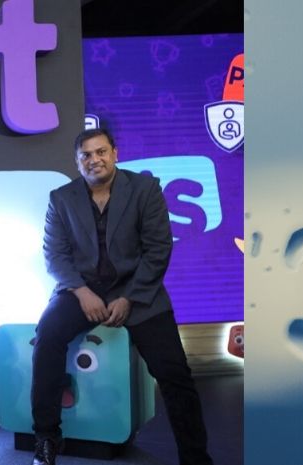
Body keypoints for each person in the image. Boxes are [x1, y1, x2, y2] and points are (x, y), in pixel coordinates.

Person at [31, 128, 212, 465]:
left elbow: (158, 250)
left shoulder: (145, 188)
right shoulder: (61, 198)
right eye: (86, 155)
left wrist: (129, 297)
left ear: (115, 153)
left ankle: (195, 457)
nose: (94, 160)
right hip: (81, 290)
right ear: (77, 162)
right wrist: (81, 292)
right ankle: (46, 438)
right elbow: (54, 255)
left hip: (138, 291)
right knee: (47, 337)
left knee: (174, 372)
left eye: (101, 152)